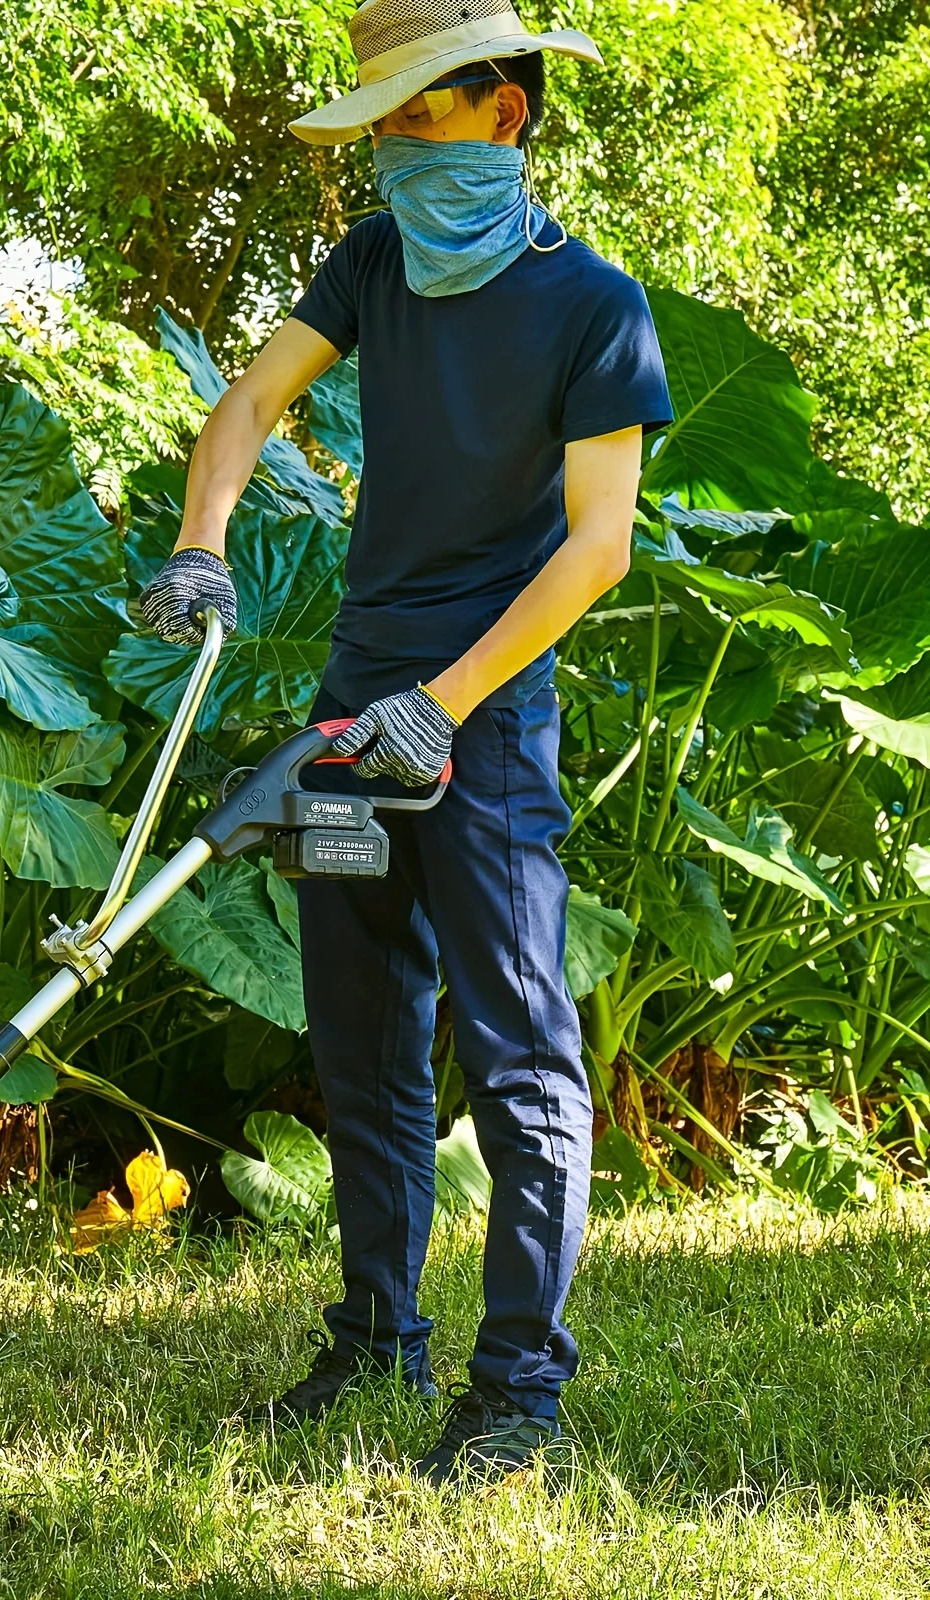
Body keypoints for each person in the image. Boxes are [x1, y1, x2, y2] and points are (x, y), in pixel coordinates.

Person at [138, 0, 673, 1486]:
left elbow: (598, 552)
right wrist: (203, 544)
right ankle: (378, 1334)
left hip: (480, 726)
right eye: (383, 126)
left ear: (506, 113)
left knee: (519, 1063)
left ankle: (520, 1397)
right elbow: (251, 399)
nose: (395, 154)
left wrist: (444, 699)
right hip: (346, 708)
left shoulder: (594, 307)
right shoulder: (373, 264)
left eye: (420, 120)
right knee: (364, 1039)